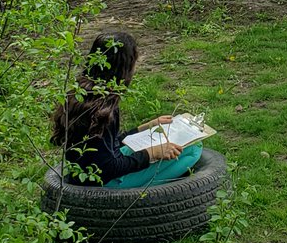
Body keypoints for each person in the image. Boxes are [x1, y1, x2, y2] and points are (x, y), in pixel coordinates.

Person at [51, 32, 202, 189]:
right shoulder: (104, 107)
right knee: (193, 149)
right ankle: (151, 192)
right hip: (105, 183)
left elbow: (104, 147)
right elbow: (108, 167)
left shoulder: (81, 93)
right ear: (125, 67)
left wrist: (145, 128)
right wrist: (153, 153)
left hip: (82, 173)